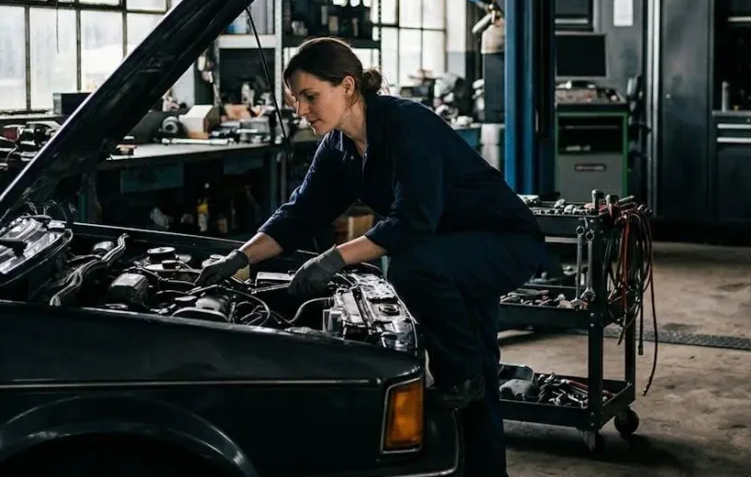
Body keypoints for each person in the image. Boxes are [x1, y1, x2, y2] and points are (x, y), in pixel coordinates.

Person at [197, 37, 545, 477]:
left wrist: (333, 259)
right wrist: (238, 258)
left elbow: (411, 222)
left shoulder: (407, 124)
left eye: (310, 97)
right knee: (475, 362)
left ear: (346, 86)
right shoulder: (339, 148)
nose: (302, 111)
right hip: (448, 254)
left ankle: (461, 379)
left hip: (501, 241)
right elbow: (299, 214)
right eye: (295, 101)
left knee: (413, 272)